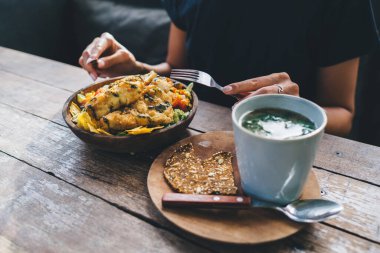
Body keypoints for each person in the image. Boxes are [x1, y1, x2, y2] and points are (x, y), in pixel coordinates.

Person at [78, 0, 379, 137]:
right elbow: (178, 71)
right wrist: (136, 72)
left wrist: (290, 109)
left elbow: (343, 114)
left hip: (280, 150)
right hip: (186, 139)